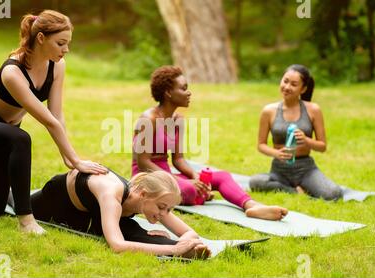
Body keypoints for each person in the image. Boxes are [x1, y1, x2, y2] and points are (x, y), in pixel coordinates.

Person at [0, 10, 109, 235]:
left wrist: (67, 156)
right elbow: (48, 122)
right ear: (41, 38)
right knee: (21, 139)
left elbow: (56, 115)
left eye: (68, 43)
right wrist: (75, 160)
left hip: (5, 132)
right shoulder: (12, 72)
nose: (66, 50)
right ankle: (26, 220)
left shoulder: (57, 66)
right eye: (61, 43)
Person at [0, 170, 211, 259]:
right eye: (162, 208)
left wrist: (187, 240)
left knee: (138, 232)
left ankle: (184, 253)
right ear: (143, 195)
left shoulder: (149, 199)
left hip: (86, 212)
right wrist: (176, 249)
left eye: (169, 209)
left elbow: (187, 231)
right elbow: (117, 247)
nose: (164, 214)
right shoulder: (112, 196)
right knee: (10, 204)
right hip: (55, 200)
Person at [131, 65, 288, 221]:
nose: (189, 92)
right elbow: (144, 162)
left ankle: (252, 206)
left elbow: (178, 159)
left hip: (168, 175)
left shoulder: (177, 120)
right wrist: (180, 181)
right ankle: (200, 195)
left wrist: (195, 175)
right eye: (183, 88)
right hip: (148, 178)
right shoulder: (148, 119)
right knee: (190, 189)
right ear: (168, 93)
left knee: (222, 177)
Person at [249, 64, 343, 200]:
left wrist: (306, 140)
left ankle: (303, 186)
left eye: (294, 84)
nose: (287, 87)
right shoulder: (268, 111)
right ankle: (294, 191)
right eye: (285, 81)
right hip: (279, 170)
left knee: (334, 194)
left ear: (303, 89)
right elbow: (261, 145)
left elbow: (322, 146)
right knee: (255, 182)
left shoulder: (313, 110)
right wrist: (277, 153)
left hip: (306, 169)